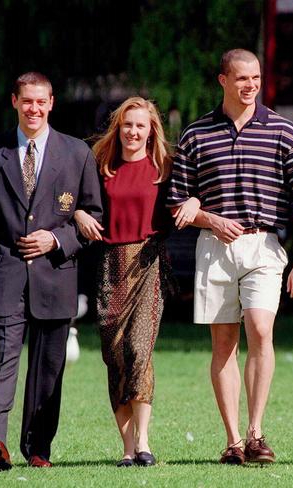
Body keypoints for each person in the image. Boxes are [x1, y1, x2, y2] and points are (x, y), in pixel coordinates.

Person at [167, 48, 293, 465]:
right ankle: (233, 441)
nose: (251, 85)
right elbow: (177, 205)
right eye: (242, 78)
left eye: (255, 78)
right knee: (223, 343)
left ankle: (257, 433)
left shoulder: (284, 131)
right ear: (223, 80)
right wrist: (210, 219)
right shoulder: (196, 134)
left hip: (263, 245)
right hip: (215, 245)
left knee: (259, 329)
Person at [0, 72, 103, 470]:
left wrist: (56, 240)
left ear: (52, 103)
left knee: (48, 369)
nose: (34, 109)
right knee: (4, 356)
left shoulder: (77, 153)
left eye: (41, 102)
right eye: (27, 101)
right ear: (14, 102)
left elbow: (92, 219)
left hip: (57, 276)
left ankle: (38, 448)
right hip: (5, 275)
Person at [73, 97, 199, 467]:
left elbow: (193, 193)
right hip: (110, 265)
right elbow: (73, 201)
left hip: (148, 263)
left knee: (138, 350)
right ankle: (127, 447)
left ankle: (144, 442)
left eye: (140, 125)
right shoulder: (101, 166)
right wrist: (79, 212)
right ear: (119, 127)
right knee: (114, 354)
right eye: (127, 125)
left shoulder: (165, 166)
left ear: (151, 130)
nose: (133, 131)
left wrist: (192, 200)